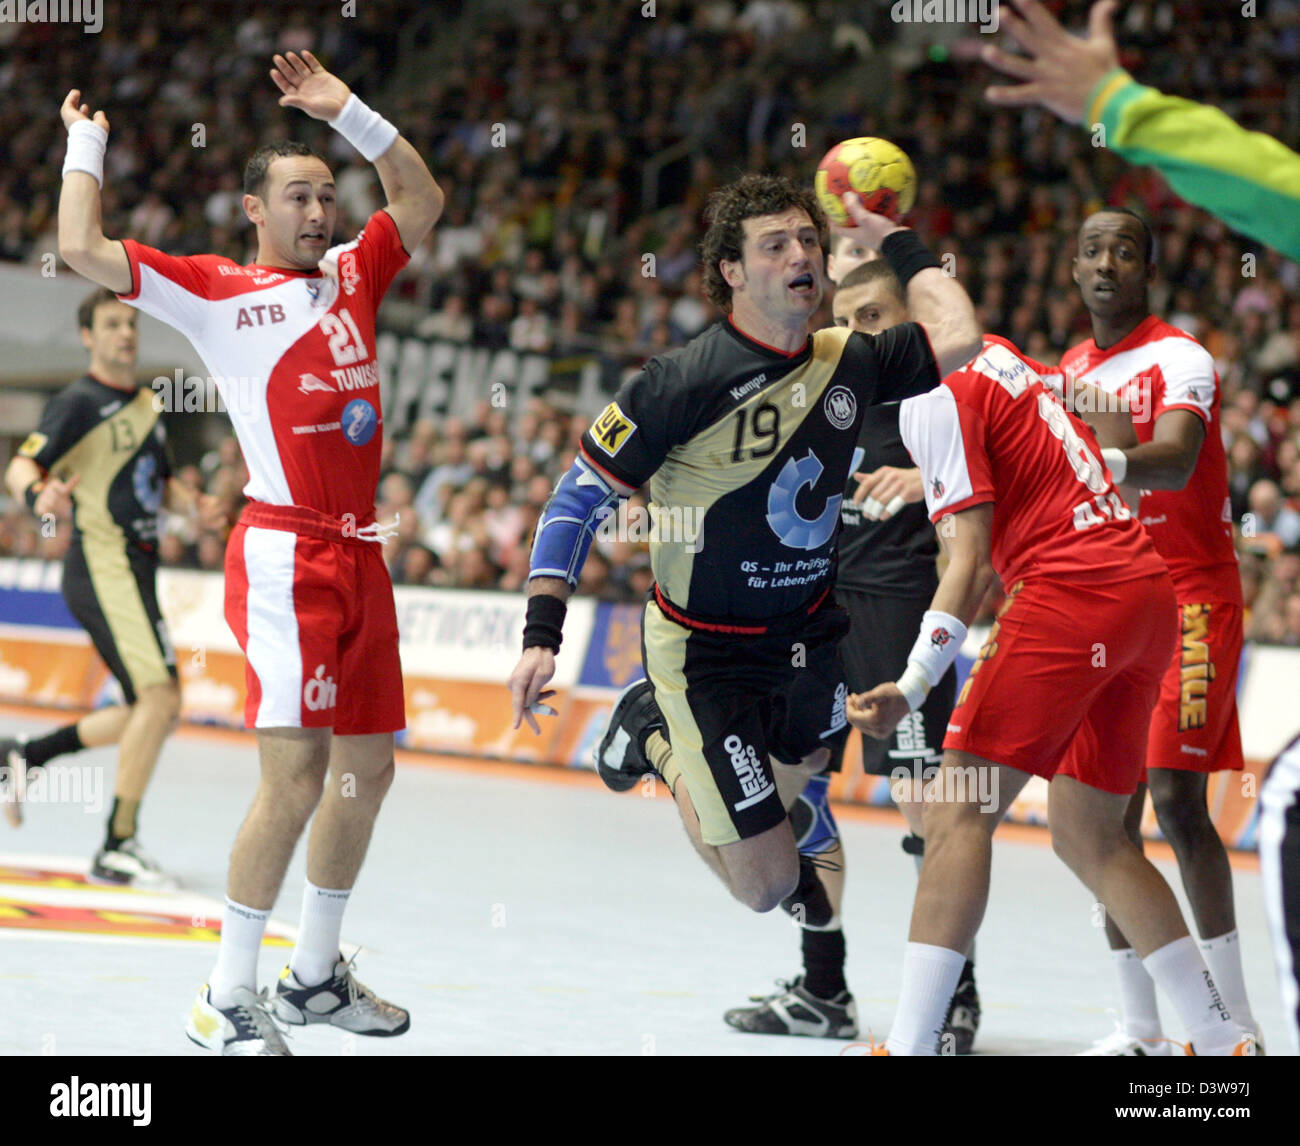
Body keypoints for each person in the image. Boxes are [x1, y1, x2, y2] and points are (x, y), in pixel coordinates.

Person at [56, 49, 443, 1054]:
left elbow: (421, 193)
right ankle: (225, 993)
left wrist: (345, 109)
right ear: (253, 212)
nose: (318, 209)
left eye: (326, 194)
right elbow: (79, 243)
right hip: (284, 558)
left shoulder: (358, 272)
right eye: (297, 196)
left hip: (361, 555)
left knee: (368, 771)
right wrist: (85, 143)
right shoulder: (218, 291)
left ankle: (313, 976)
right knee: (295, 778)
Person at [508, 177, 980, 959]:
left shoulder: (850, 360)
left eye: (808, 241)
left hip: (811, 636)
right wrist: (541, 633)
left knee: (806, 770)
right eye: (776, 245)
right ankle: (654, 731)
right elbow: (576, 499)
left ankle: (684, 759)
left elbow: (958, 333)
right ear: (731, 271)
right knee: (766, 885)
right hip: (710, 654)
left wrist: (896, 238)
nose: (802, 256)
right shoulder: (679, 382)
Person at [847, 334, 1253, 1056]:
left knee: (956, 810)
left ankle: (908, 1047)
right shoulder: (1002, 357)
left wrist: (912, 684)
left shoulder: (930, 409)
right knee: (1092, 835)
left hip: (1070, 593)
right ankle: (1225, 1042)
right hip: (1144, 589)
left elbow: (968, 566)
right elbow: (1110, 415)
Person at [722, 253, 980, 1052]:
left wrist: (925, 479)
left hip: (895, 613)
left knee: (925, 808)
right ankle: (823, 988)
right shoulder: (822, 396)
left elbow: (979, 531)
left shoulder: (941, 404)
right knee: (794, 796)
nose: (856, 334)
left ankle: (955, 999)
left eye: (875, 320)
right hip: (812, 616)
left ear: (910, 325)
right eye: (848, 319)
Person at [1057, 207, 1258, 1054]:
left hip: (1193, 598)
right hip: (1114, 605)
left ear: (1146, 268)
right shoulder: (1069, 367)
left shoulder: (1182, 357)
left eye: (1125, 250)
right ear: (1074, 268)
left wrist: (1096, 458)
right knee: (1108, 822)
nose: (1108, 262)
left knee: (1177, 801)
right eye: (1093, 248)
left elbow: (1172, 458)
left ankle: (1236, 1021)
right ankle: (1139, 1026)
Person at [1, 290, 218, 885]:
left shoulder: (148, 403)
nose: (126, 332)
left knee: (148, 708)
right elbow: (22, 466)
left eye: (131, 323)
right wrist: (36, 495)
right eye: (112, 324)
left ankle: (27, 754)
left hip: (139, 571)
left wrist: (191, 507)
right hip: (102, 565)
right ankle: (116, 845)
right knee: (162, 699)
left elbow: (160, 481)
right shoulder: (78, 402)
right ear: (88, 337)